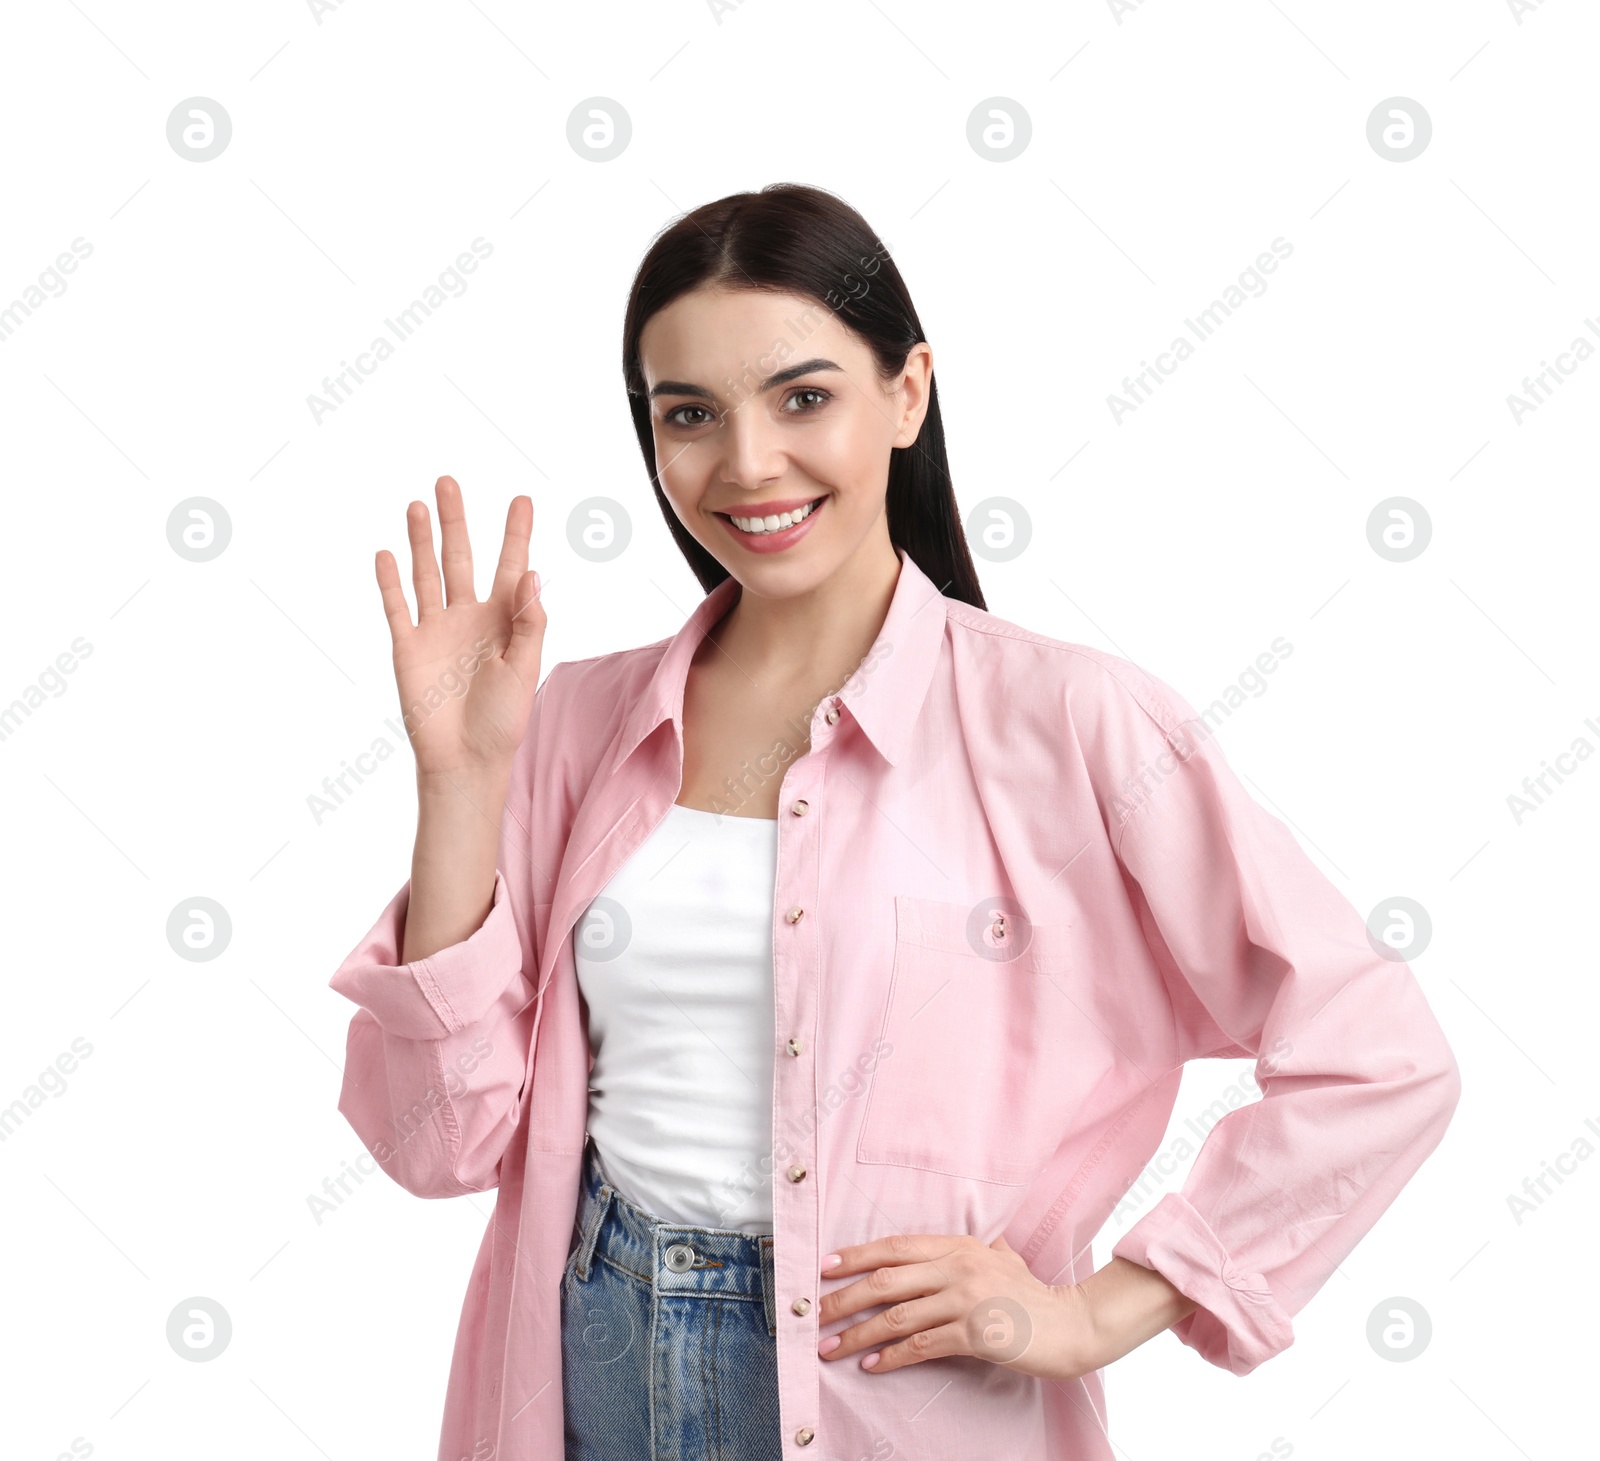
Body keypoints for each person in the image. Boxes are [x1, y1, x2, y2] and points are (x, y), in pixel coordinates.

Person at [328, 183, 1461, 1461]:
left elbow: (1378, 1058)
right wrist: (458, 783)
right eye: (688, 415)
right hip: (592, 1362)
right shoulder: (574, 722)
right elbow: (439, 1146)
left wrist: (1098, 1314)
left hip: (911, 1402)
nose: (746, 463)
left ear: (907, 394)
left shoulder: (1073, 722)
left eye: (802, 397)